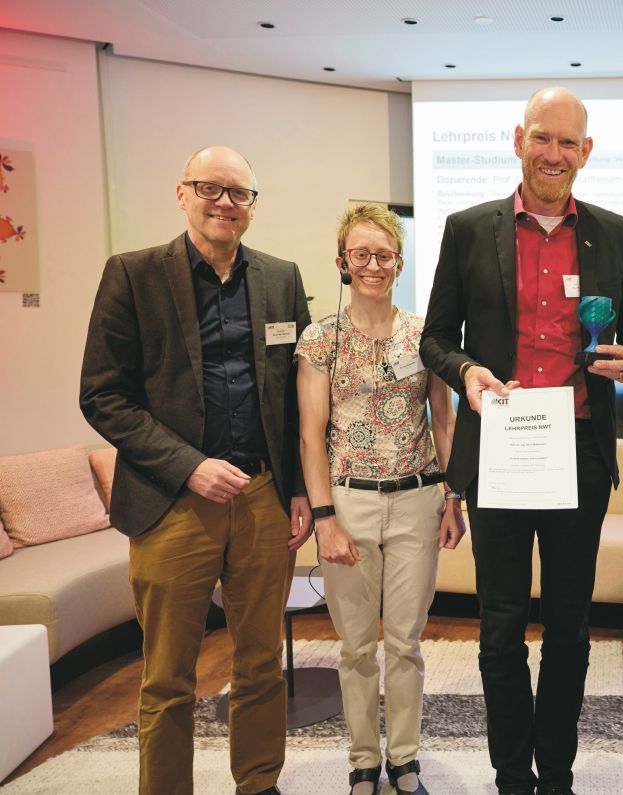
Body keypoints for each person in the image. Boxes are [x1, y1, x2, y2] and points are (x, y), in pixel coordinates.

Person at [419, 86, 623, 795]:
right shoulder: (467, 227)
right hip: (501, 448)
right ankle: (510, 774)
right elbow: (434, 338)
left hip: (579, 450)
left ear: (587, 150)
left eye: (569, 142)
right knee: (499, 626)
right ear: (518, 138)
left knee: (571, 629)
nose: (555, 154)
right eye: (542, 138)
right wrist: (468, 372)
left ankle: (557, 774)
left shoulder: (615, 231)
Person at [79, 146, 312, 795]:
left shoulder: (280, 277)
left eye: (239, 193)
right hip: (170, 503)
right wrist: (190, 467)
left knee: (263, 661)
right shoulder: (133, 275)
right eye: (211, 188)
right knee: (167, 674)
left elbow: (299, 390)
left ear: (253, 207)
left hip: (264, 497)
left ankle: (259, 782)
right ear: (182, 192)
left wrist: (299, 489)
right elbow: (103, 395)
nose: (225, 203)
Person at [295, 205, 464, 795]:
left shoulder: (425, 335)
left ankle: (406, 759)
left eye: (384, 254)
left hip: (418, 499)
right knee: (357, 645)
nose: (373, 265)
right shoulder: (320, 337)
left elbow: (442, 420)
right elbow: (309, 435)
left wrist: (454, 497)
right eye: (360, 254)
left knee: (406, 642)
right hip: (349, 504)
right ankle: (364, 759)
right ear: (342, 262)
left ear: (399, 261)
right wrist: (324, 521)